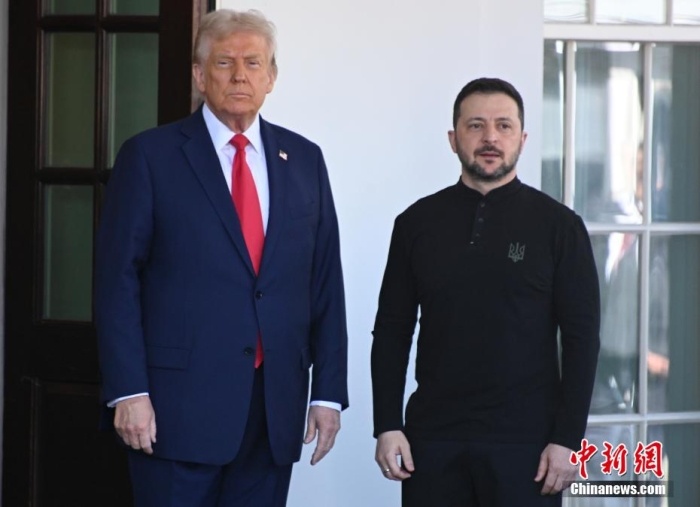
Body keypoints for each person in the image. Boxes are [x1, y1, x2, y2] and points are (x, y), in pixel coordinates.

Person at [95, 9, 348, 507]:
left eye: (253, 63)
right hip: (173, 412)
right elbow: (116, 281)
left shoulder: (305, 159)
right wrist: (128, 390)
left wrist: (327, 392)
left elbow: (324, 282)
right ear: (199, 74)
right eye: (224, 62)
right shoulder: (150, 156)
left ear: (271, 77)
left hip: (272, 409)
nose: (239, 76)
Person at [371, 77, 600, 507]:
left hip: (529, 447)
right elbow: (391, 331)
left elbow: (582, 339)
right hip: (433, 442)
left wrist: (568, 439)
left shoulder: (560, 227)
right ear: (453, 138)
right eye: (475, 125)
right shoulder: (416, 223)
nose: (490, 137)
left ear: (523, 139)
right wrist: (387, 424)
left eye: (503, 126)